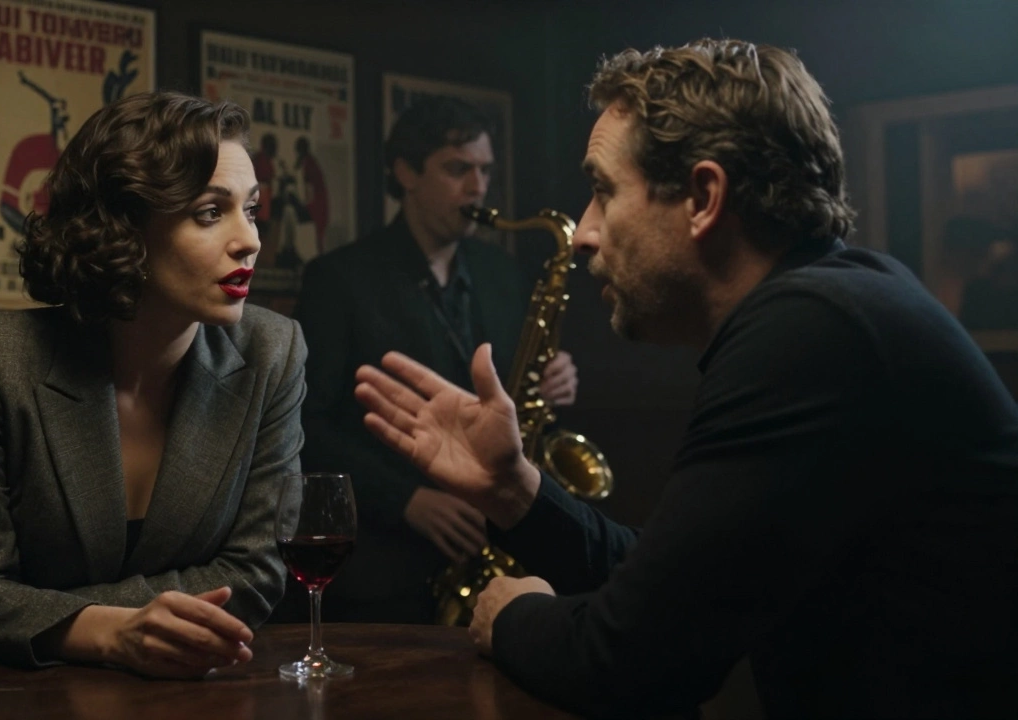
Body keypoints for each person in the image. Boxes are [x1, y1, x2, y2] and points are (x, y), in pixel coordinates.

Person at [354, 39, 1018, 718]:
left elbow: (629, 659)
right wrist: (516, 491)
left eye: (604, 191)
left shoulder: (808, 333)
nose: (583, 233)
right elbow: (677, 584)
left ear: (703, 197)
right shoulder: (832, 306)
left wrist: (512, 616)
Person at [0, 91, 304, 717]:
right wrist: (111, 633)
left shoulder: (272, 351)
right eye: (210, 213)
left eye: (252, 211)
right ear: (123, 229)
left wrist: (37, 618)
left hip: (158, 696)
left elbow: (255, 574)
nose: (249, 241)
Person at [288, 96, 579, 624]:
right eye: (457, 168)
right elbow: (307, 424)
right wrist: (407, 500)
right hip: (386, 564)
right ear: (405, 172)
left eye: (485, 170)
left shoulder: (501, 273)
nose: (478, 187)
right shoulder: (340, 279)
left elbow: (513, 389)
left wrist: (551, 381)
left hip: (493, 540)